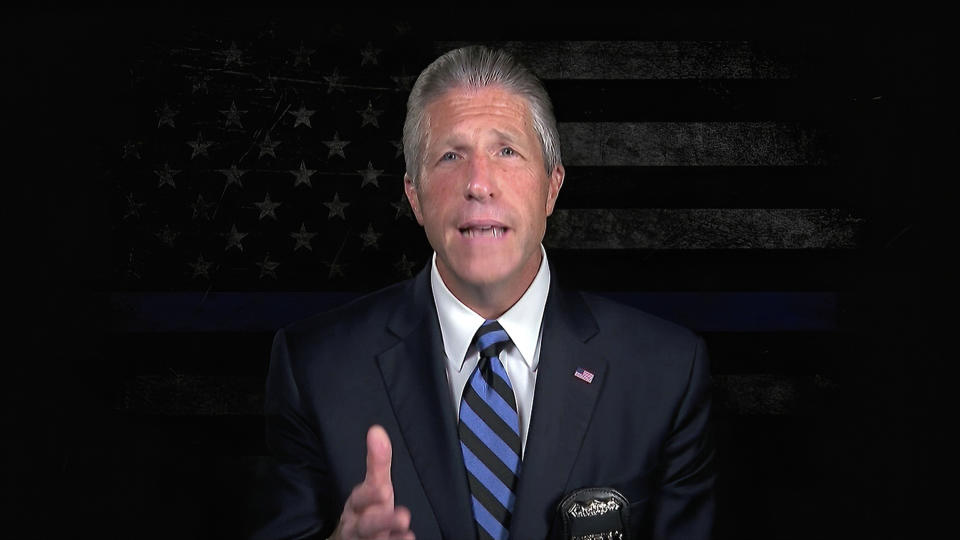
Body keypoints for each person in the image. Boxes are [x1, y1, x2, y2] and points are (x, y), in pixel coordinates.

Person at [251, 45, 715, 540]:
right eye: (451, 156)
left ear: (552, 187)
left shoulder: (666, 371)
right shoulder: (315, 366)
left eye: (506, 151)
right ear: (415, 196)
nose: (478, 184)